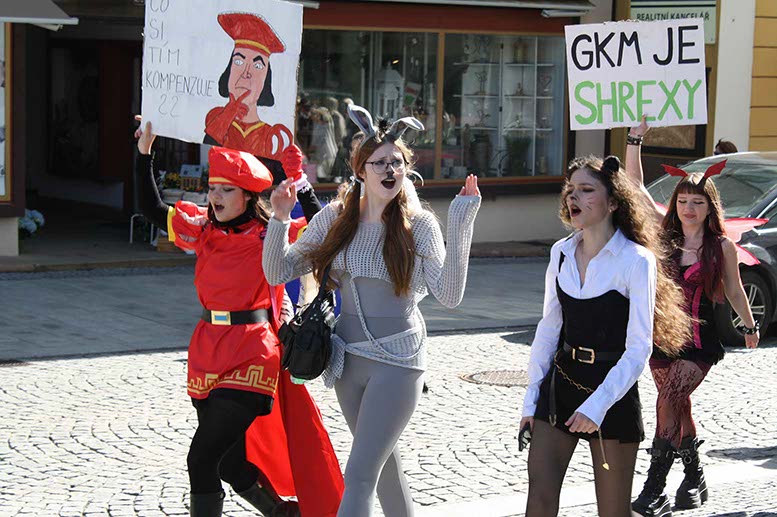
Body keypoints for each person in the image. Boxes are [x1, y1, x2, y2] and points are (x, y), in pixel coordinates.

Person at [262, 104, 481, 517]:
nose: (389, 170)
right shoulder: (335, 218)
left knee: (360, 473)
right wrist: (279, 219)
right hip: (347, 359)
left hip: (398, 361)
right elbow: (278, 271)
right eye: (380, 162)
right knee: (383, 470)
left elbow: (449, 294)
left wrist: (461, 221)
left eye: (397, 162)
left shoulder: (419, 225)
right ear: (361, 170)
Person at [134, 119, 344, 517]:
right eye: (213, 187)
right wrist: (144, 152)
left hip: (252, 351)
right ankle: (284, 514)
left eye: (226, 189)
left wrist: (300, 183)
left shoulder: (270, 234)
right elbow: (150, 208)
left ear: (248, 196)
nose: (215, 195)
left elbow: (323, 232)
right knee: (228, 464)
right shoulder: (202, 229)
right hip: (206, 350)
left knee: (201, 458)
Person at [520, 155, 692, 517]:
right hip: (561, 384)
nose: (573, 197)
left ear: (613, 202)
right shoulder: (561, 253)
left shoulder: (636, 260)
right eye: (571, 190)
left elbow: (639, 349)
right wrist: (530, 401)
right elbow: (548, 329)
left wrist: (597, 406)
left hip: (613, 392)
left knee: (612, 512)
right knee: (539, 502)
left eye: (586, 190)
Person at [626, 118, 759, 517]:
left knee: (669, 399)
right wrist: (634, 139)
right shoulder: (664, 235)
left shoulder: (721, 246)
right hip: (661, 337)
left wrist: (749, 325)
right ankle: (694, 479)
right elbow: (635, 187)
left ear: (709, 207)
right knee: (678, 407)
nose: (688, 208)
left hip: (699, 342)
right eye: (683, 201)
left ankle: (654, 489)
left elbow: (734, 289)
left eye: (697, 202)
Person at [203, 13, 293, 160]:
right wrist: (227, 116)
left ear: (266, 80)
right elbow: (209, 158)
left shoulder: (272, 138)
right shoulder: (215, 119)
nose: (246, 73)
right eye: (238, 62)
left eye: (257, 66)